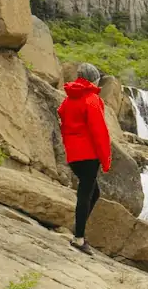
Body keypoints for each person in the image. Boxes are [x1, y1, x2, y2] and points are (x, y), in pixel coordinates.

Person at [57, 63, 112, 255]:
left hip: (73, 155)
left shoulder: (67, 101)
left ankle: (77, 229)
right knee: (85, 193)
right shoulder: (92, 99)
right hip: (89, 154)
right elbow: (100, 133)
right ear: (93, 79)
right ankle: (78, 238)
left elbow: (63, 123)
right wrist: (105, 160)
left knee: (93, 192)